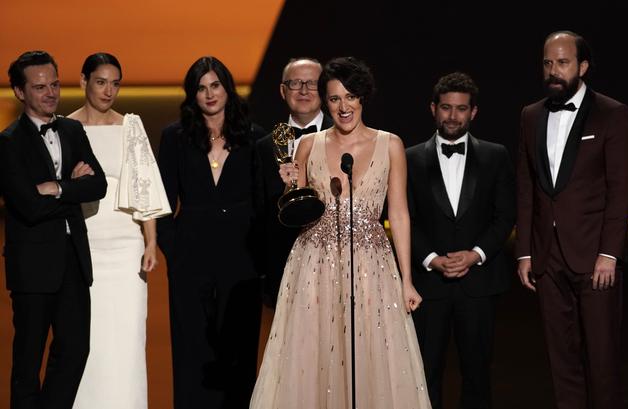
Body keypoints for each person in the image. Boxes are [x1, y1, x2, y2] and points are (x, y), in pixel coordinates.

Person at [251, 56, 431, 409]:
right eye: (334, 99)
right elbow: (294, 213)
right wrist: (289, 185)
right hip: (314, 264)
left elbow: (399, 213)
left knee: (370, 352)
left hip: (372, 266)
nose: (343, 106)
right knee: (313, 353)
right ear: (325, 102)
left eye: (351, 97)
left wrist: (407, 279)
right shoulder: (308, 145)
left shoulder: (390, 144)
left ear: (363, 97)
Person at [516, 30, 628, 409]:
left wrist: (610, 254)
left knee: (602, 359)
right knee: (560, 357)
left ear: (582, 67)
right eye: (548, 62)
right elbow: (527, 187)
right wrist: (524, 253)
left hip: (596, 259)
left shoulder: (612, 114)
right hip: (547, 259)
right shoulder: (531, 115)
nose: (554, 70)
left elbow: (622, 190)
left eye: (563, 62)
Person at [0, 51, 107, 408]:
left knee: (75, 351)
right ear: (19, 91)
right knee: (28, 364)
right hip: (32, 266)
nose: (51, 93)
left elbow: (98, 186)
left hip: (74, 262)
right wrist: (71, 185)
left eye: (55, 84)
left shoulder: (73, 130)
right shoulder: (8, 142)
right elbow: (28, 206)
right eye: (40, 86)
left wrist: (56, 187)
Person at [66, 52, 171, 409]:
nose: (108, 90)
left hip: (127, 246)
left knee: (127, 337)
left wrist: (151, 241)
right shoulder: (65, 128)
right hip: (84, 244)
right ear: (83, 82)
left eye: (115, 83)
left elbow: (146, 188)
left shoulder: (131, 126)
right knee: (86, 337)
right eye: (100, 81)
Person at [157, 56, 263, 409]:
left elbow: (265, 202)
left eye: (215, 85)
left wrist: (259, 255)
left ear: (227, 88)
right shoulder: (174, 137)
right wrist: (174, 251)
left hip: (242, 259)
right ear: (193, 95)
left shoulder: (256, 137)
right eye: (201, 88)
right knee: (192, 348)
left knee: (239, 350)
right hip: (191, 257)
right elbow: (162, 202)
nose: (209, 94)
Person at [406, 72, 516, 409]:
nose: (453, 116)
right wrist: (430, 258)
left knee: (478, 374)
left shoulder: (496, 156)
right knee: (424, 374)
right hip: (428, 285)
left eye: (461, 109)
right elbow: (402, 216)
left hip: (479, 284)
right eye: (446, 108)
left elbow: (505, 215)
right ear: (433, 109)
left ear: (474, 112)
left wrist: (476, 254)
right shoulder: (408, 158)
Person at [255, 57, 333, 305]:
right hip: (283, 267)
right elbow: (259, 213)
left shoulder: (346, 137)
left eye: (311, 83)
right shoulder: (264, 147)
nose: (303, 90)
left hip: (334, 263)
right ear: (282, 90)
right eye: (295, 83)